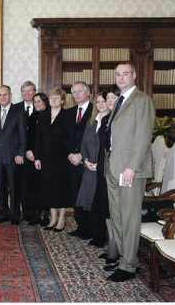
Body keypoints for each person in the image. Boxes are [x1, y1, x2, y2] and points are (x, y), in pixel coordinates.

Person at [104, 62, 155, 282]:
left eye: (126, 74)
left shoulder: (141, 100)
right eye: (118, 74)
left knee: (130, 217)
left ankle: (129, 265)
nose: (121, 77)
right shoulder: (120, 100)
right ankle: (125, 258)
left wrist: (131, 167)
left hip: (129, 171)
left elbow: (143, 136)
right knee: (117, 217)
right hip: (114, 167)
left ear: (134, 75)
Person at [0, 85, 26, 225]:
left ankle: (15, 215)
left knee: (14, 187)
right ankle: (3, 213)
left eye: (5, 94)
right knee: (0, 187)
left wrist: (21, 153)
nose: (2, 97)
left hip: (13, 156)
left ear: (10, 95)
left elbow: (22, 135)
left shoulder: (18, 111)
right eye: (0, 95)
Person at [34, 87, 72, 232]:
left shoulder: (67, 115)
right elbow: (38, 138)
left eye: (57, 98)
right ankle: (53, 218)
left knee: (60, 188)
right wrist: (37, 157)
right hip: (45, 158)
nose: (53, 100)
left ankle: (61, 219)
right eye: (51, 98)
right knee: (48, 188)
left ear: (62, 101)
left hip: (62, 158)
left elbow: (70, 138)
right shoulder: (43, 115)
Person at [75, 91, 110, 246]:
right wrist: (86, 160)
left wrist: (100, 164)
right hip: (89, 167)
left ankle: (101, 237)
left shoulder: (111, 121)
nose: (101, 104)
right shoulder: (92, 121)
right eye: (98, 102)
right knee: (87, 201)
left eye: (104, 101)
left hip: (103, 169)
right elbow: (84, 144)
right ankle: (91, 232)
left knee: (100, 204)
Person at [92, 87, 121, 264]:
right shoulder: (106, 120)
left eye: (112, 98)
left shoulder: (120, 118)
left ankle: (116, 250)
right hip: (105, 167)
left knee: (113, 211)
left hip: (115, 168)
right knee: (106, 209)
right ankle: (112, 246)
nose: (109, 102)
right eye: (106, 98)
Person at [66, 81, 93, 239]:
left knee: (88, 195)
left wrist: (81, 155)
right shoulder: (69, 112)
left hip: (88, 160)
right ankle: (80, 226)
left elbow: (93, 138)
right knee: (76, 194)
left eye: (79, 91)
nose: (76, 95)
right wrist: (70, 154)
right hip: (71, 161)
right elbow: (65, 137)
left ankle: (90, 228)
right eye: (73, 92)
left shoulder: (95, 110)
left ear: (88, 92)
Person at [14, 81, 38, 222]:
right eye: (24, 91)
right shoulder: (15, 108)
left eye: (30, 91)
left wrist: (34, 152)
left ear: (34, 92)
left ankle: (33, 214)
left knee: (34, 185)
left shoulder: (41, 106)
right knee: (19, 185)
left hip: (35, 154)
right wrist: (20, 152)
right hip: (19, 154)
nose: (27, 94)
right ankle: (18, 214)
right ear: (21, 93)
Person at [26, 92, 50, 225]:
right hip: (32, 156)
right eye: (35, 102)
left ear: (45, 102)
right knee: (34, 186)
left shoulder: (51, 115)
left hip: (45, 156)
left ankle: (46, 214)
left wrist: (40, 154)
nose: (37, 104)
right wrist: (28, 150)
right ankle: (35, 214)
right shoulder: (32, 117)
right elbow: (28, 136)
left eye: (39, 101)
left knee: (45, 186)